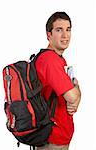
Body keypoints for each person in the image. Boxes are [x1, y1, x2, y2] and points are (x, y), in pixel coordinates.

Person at [35, 12, 81, 150]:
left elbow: (72, 92)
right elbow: (72, 96)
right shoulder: (50, 60)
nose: (65, 35)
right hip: (52, 140)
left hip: (57, 137)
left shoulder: (57, 59)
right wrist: (77, 95)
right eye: (59, 30)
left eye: (68, 29)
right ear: (49, 35)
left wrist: (76, 94)